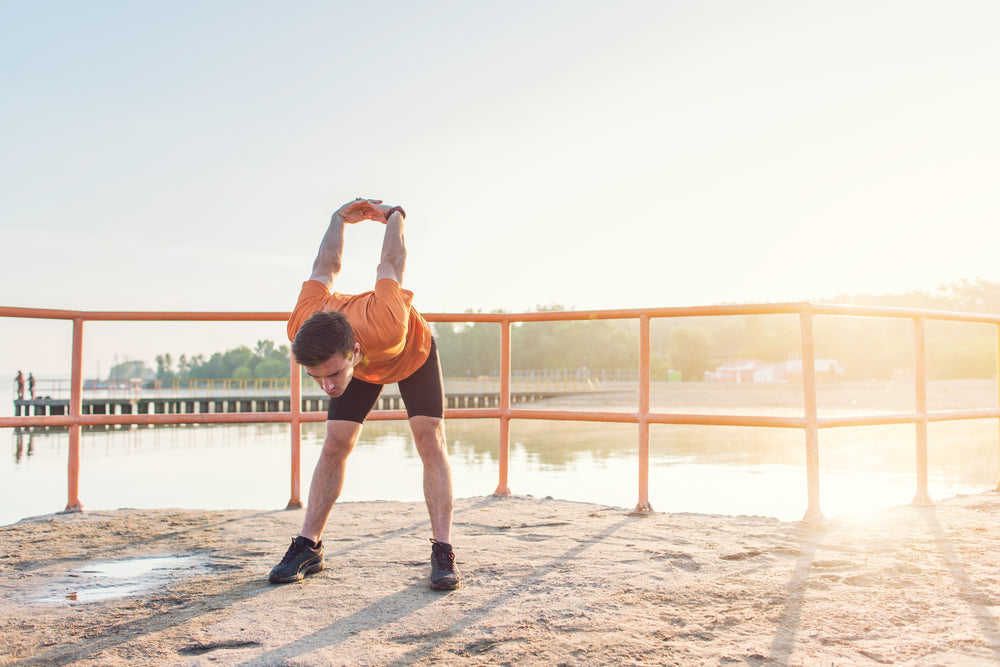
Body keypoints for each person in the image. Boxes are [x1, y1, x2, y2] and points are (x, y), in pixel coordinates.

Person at [269, 198, 460, 591]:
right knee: (335, 443)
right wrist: (338, 219)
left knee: (429, 437)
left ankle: (443, 550)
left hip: (411, 354)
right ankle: (309, 545)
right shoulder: (302, 325)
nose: (326, 386)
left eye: (333, 375)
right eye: (314, 377)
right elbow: (325, 265)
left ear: (353, 353)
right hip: (360, 365)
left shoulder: (387, 322)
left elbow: (390, 261)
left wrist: (394, 216)